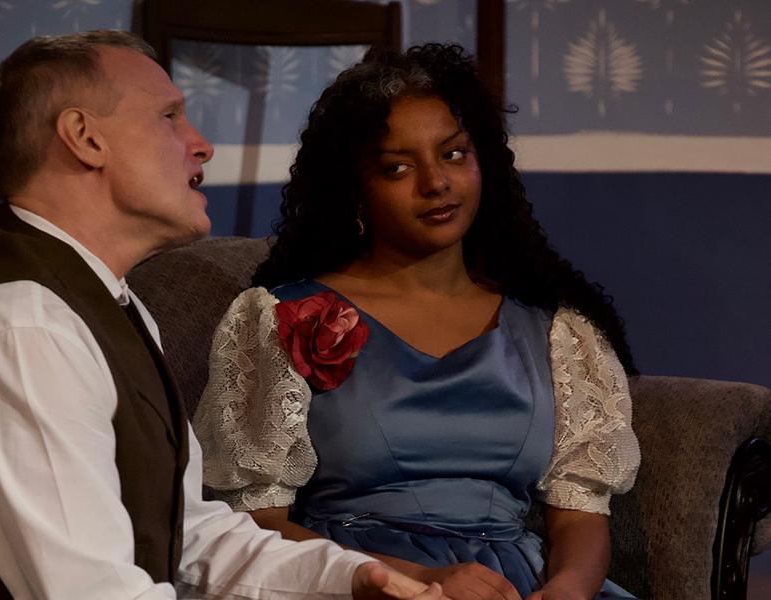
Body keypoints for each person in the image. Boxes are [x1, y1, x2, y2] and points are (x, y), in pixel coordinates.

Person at [0, 30, 449, 600]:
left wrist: (354, 579)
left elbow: (190, 538)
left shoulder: (109, 305)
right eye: (170, 116)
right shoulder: (19, 326)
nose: (201, 145)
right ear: (84, 138)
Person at [194, 44, 641, 600]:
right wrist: (420, 580)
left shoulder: (558, 331)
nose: (436, 183)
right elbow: (257, 524)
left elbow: (579, 516)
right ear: (356, 189)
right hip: (359, 581)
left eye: (453, 154)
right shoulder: (280, 318)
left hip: (517, 588)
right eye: (398, 168)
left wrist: (569, 590)